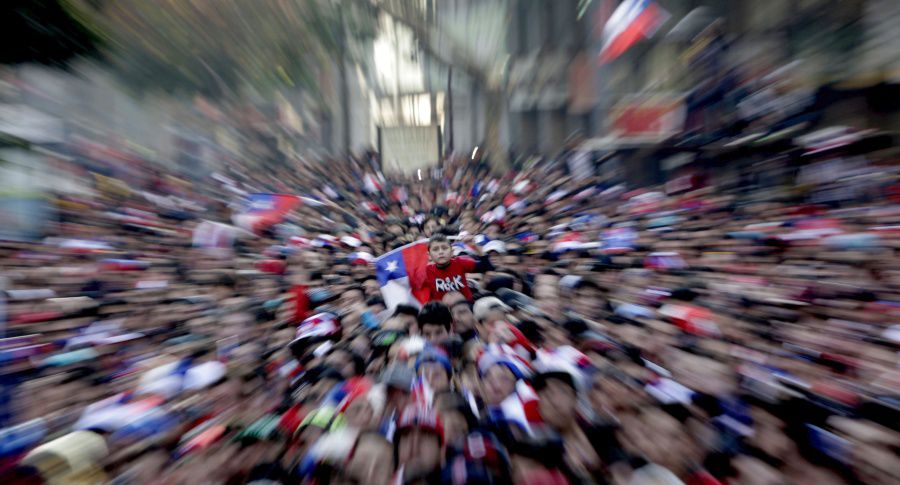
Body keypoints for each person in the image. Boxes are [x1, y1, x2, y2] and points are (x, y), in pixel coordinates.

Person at [424, 234, 493, 302]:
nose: (441, 252)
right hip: (443, 310)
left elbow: (486, 267)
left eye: (444, 248)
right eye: (435, 249)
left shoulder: (460, 263)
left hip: (466, 305)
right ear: (429, 255)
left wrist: (475, 247)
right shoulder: (426, 271)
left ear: (452, 252)